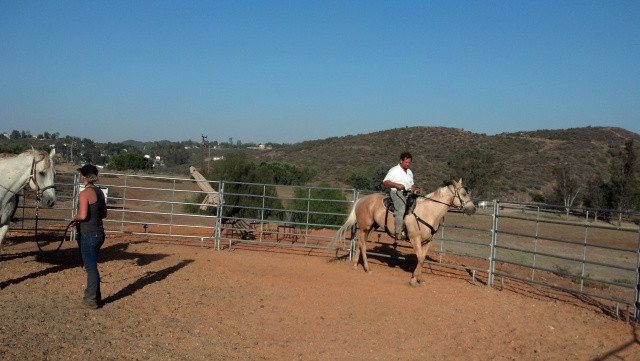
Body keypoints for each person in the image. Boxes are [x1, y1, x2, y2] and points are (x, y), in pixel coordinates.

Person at [72, 164, 107, 309]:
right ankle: (96, 298)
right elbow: (104, 214)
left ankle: (90, 300)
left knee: (90, 267)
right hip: (99, 233)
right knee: (93, 266)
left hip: (88, 234)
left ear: (83, 177)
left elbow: (83, 215)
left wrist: (74, 219)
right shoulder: (99, 192)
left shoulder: (84, 194)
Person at [382, 152, 422, 240]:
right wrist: (396, 185)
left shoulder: (410, 172)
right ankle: (398, 232)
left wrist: (417, 190)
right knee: (401, 208)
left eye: (409, 162)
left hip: (408, 193)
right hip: (396, 192)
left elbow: (411, 186)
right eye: (406, 162)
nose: (408, 164)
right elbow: (385, 181)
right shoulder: (394, 170)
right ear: (401, 161)